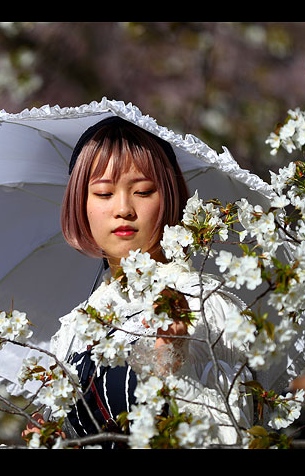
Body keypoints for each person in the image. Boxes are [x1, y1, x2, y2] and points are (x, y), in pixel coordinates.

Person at [22, 116, 253, 447]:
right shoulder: (75, 328)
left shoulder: (205, 306)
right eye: (103, 193)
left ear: (170, 198)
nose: (123, 209)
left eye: (143, 191)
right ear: (81, 205)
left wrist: (169, 366)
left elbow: (237, 433)